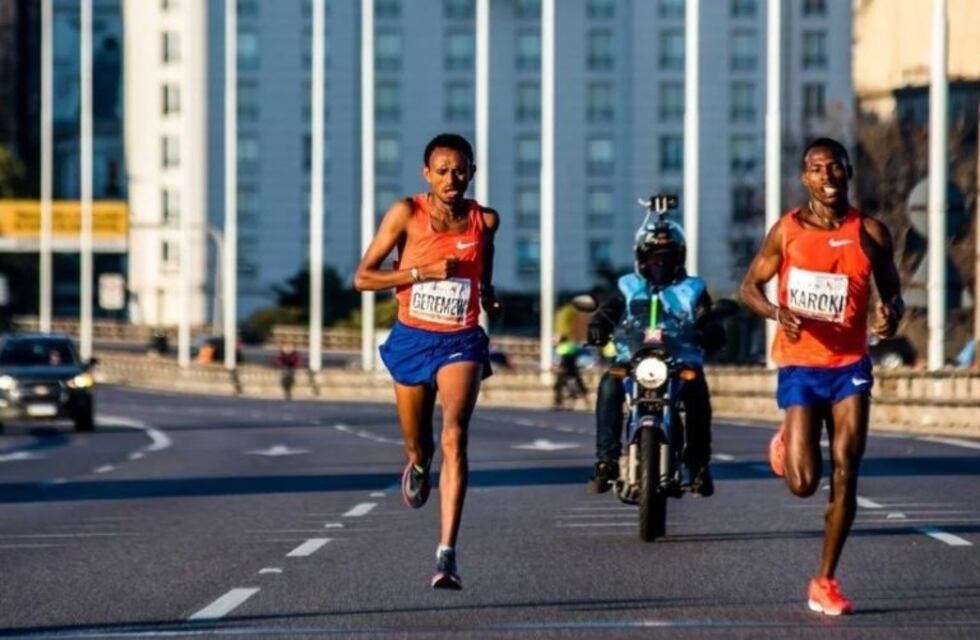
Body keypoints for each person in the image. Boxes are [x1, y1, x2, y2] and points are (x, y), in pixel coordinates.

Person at [740, 137, 903, 616]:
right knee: (803, 483)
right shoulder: (786, 232)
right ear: (804, 178)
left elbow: (893, 296)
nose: (827, 176)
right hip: (801, 364)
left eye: (835, 167)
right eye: (816, 168)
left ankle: (825, 580)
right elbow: (748, 287)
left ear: (848, 171)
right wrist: (775, 311)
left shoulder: (871, 232)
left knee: (847, 471)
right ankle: (789, 435)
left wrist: (889, 316)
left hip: (850, 365)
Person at [354, 133, 500, 590]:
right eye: (442, 170)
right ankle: (418, 466)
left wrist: (489, 296)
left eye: (459, 170)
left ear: (472, 172)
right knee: (421, 445)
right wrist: (420, 272)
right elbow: (363, 277)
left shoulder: (485, 220)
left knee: (455, 434)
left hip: (461, 340)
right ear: (427, 174)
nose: (451, 179)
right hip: (413, 338)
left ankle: (446, 554)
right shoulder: (407, 213)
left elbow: (484, 263)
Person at [586, 216, 725, 498]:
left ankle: (698, 465)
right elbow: (608, 310)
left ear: (679, 257)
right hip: (632, 358)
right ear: (641, 258)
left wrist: (711, 329)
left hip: (680, 360)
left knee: (697, 391)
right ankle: (606, 461)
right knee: (610, 386)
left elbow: (706, 316)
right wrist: (598, 326)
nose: (659, 264)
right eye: (653, 258)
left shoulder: (694, 288)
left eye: (667, 257)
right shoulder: (626, 286)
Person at [552, 335, 587, 410]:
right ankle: (587, 402)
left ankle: (558, 403)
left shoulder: (561, 347)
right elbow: (578, 355)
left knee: (558, 386)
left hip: (565, 369)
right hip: (573, 368)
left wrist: (555, 367)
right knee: (581, 385)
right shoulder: (572, 345)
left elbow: (559, 360)